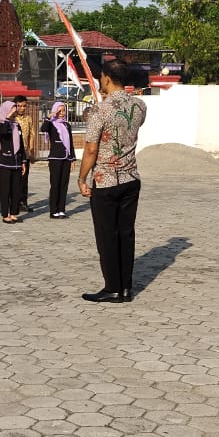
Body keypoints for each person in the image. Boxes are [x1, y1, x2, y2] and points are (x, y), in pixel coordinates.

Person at [78, 59, 147, 302]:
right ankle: (126, 287)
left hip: (106, 180)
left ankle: (112, 287)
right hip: (131, 178)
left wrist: (81, 177)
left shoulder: (100, 110)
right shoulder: (140, 106)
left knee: (107, 235)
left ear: (106, 78)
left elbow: (91, 149)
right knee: (126, 234)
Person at [40, 102, 76, 219]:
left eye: (63, 111)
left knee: (64, 184)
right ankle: (53, 210)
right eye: (59, 111)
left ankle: (61, 209)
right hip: (55, 158)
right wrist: (49, 117)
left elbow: (70, 143)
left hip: (66, 158)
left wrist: (72, 159)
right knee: (55, 184)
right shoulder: (51, 124)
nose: (61, 113)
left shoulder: (67, 125)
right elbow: (43, 128)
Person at [0, 100, 29, 224]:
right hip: (5, 162)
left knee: (16, 189)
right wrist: (8, 116)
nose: (15, 111)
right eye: (12, 109)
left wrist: (23, 161)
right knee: (6, 189)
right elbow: (4, 133)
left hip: (17, 162)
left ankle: (14, 213)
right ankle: (5, 214)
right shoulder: (1, 123)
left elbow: (21, 144)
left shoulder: (16, 125)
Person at [14, 95, 38, 212]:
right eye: (19, 106)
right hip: (15, 153)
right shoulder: (12, 118)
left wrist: (31, 151)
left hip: (25, 153)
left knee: (24, 179)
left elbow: (31, 135)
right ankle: (14, 202)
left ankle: (23, 202)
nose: (22, 108)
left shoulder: (28, 118)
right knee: (15, 179)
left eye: (24, 106)